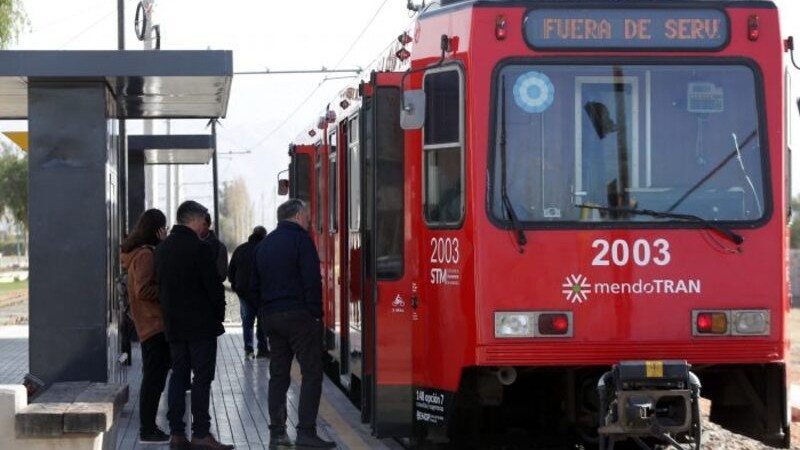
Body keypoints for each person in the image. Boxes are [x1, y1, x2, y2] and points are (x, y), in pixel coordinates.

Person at [252, 199, 335, 449]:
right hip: (299, 316)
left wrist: (264, 312)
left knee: (278, 374)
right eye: (308, 215)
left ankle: (277, 432)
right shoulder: (301, 240)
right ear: (298, 215)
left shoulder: (264, 245)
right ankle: (306, 433)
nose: (310, 219)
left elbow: (253, 284)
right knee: (311, 373)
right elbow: (312, 279)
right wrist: (315, 314)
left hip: (271, 317)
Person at [155, 200, 233, 450]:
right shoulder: (199, 249)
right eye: (203, 221)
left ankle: (176, 433)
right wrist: (218, 315)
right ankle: (201, 432)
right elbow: (213, 287)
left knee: (178, 375)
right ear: (194, 220)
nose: (204, 226)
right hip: (201, 327)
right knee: (202, 379)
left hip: (174, 326)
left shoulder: (163, 249)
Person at [120, 209, 170, 444]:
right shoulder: (146, 256)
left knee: (154, 378)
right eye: (164, 227)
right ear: (157, 229)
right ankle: (147, 429)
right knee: (154, 379)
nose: (166, 231)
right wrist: (169, 291)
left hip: (148, 323)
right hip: (155, 324)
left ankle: (149, 427)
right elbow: (143, 290)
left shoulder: (139, 253)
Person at [228, 225, 269, 359]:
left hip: (243, 292)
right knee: (262, 322)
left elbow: (231, 271)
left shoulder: (240, 249)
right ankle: (262, 349)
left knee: (247, 322)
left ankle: (248, 349)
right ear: (264, 236)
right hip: (261, 293)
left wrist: (235, 285)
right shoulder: (265, 249)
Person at [202, 212, 228, 282]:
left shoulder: (219, 247)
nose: (200, 227)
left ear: (208, 225)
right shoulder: (191, 243)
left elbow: (222, 275)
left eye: (203, 224)